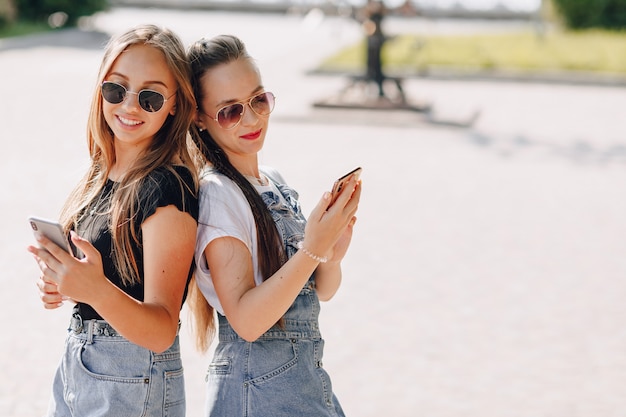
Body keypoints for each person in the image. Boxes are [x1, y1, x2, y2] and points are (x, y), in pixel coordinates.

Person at [27, 24, 199, 417]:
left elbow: (159, 330)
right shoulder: (102, 172)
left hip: (132, 379)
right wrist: (66, 284)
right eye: (116, 89)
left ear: (175, 105)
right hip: (80, 369)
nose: (129, 106)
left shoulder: (167, 189)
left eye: (151, 96)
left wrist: (96, 290)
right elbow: (110, 283)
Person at [185, 34, 362, 417]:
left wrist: (331, 254)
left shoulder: (274, 181)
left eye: (258, 100)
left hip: (304, 382)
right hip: (257, 390)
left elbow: (322, 292)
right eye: (230, 111)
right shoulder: (219, 195)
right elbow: (248, 322)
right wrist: (312, 248)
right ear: (199, 118)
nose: (251, 119)